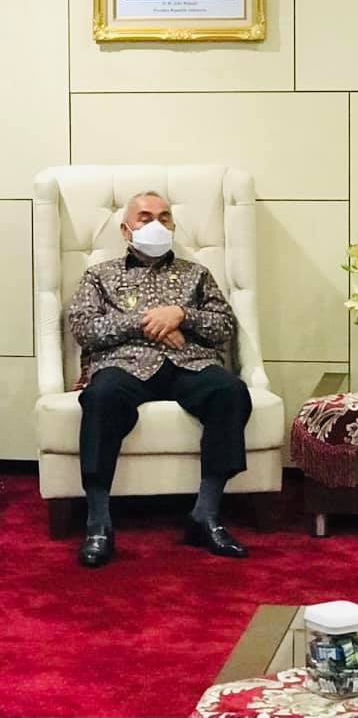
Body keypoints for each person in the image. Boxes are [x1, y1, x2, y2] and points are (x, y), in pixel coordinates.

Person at [68, 191, 252, 567]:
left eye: (164, 217)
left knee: (230, 391)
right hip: (124, 365)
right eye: (145, 217)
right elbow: (85, 328)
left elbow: (223, 326)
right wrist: (147, 320)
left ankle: (205, 515)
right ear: (126, 229)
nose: (156, 224)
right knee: (100, 397)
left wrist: (182, 314)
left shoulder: (196, 274)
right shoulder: (99, 276)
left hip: (189, 363)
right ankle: (98, 523)